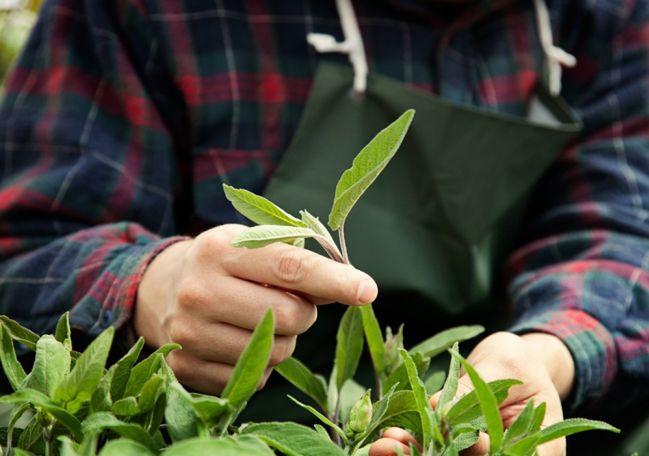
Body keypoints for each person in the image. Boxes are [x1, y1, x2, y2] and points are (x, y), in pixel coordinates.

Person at [0, 0, 647, 454]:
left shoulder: (606, 14)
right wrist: (147, 287)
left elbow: (616, 226)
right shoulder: (153, 11)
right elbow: (23, 251)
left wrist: (544, 355)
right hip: (216, 426)